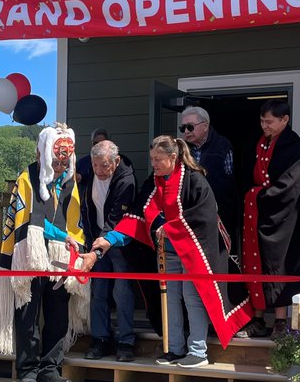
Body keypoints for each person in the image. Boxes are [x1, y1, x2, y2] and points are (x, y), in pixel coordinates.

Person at [79, 135, 251, 367]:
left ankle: (198, 351)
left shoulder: (195, 180)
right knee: (170, 299)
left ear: (173, 157)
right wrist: (108, 241)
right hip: (168, 251)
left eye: (158, 159)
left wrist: (170, 228)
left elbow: (203, 216)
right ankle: (175, 348)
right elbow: (135, 217)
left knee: (192, 299)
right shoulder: (154, 182)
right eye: (152, 159)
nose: (154, 164)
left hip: (194, 252)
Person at [0, 124, 88, 382]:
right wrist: (61, 236)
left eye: (64, 161)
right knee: (28, 313)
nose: (59, 166)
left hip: (59, 256)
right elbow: (30, 222)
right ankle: (28, 369)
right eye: (55, 160)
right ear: (42, 154)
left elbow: (75, 221)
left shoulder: (69, 181)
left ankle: (50, 368)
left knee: (58, 313)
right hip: (30, 256)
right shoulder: (27, 178)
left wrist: (74, 245)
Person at [242, 101, 300, 336]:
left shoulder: (298, 149)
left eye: (269, 121)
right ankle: (259, 318)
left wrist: (259, 195)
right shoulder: (260, 144)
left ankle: (281, 320)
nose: (265, 126)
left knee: (279, 262)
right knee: (256, 262)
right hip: (258, 215)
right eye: (262, 121)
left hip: (285, 219)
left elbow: (291, 185)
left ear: (285, 120)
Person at [79, 140, 138, 362]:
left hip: (119, 243)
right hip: (95, 241)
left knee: (122, 292)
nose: (100, 171)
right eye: (96, 165)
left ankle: (126, 341)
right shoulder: (86, 171)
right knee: (98, 291)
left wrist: (97, 250)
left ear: (116, 161)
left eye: (105, 166)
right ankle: (100, 339)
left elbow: (114, 220)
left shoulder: (127, 180)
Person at [178, 106, 238, 244]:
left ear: (205, 126)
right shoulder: (181, 149)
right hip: (187, 215)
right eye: (183, 128)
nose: (186, 131)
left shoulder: (222, 146)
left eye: (190, 127)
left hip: (216, 215)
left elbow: (229, 185)